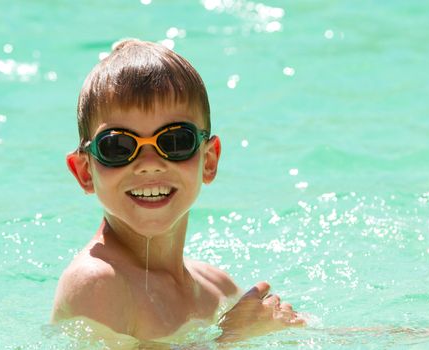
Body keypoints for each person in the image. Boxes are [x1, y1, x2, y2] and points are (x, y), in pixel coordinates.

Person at [51, 39, 305, 345]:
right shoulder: (97, 283)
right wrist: (228, 338)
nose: (149, 165)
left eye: (174, 142)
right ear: (84, 171)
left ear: (209, 160)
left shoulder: (216, 287)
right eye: (118, 146)